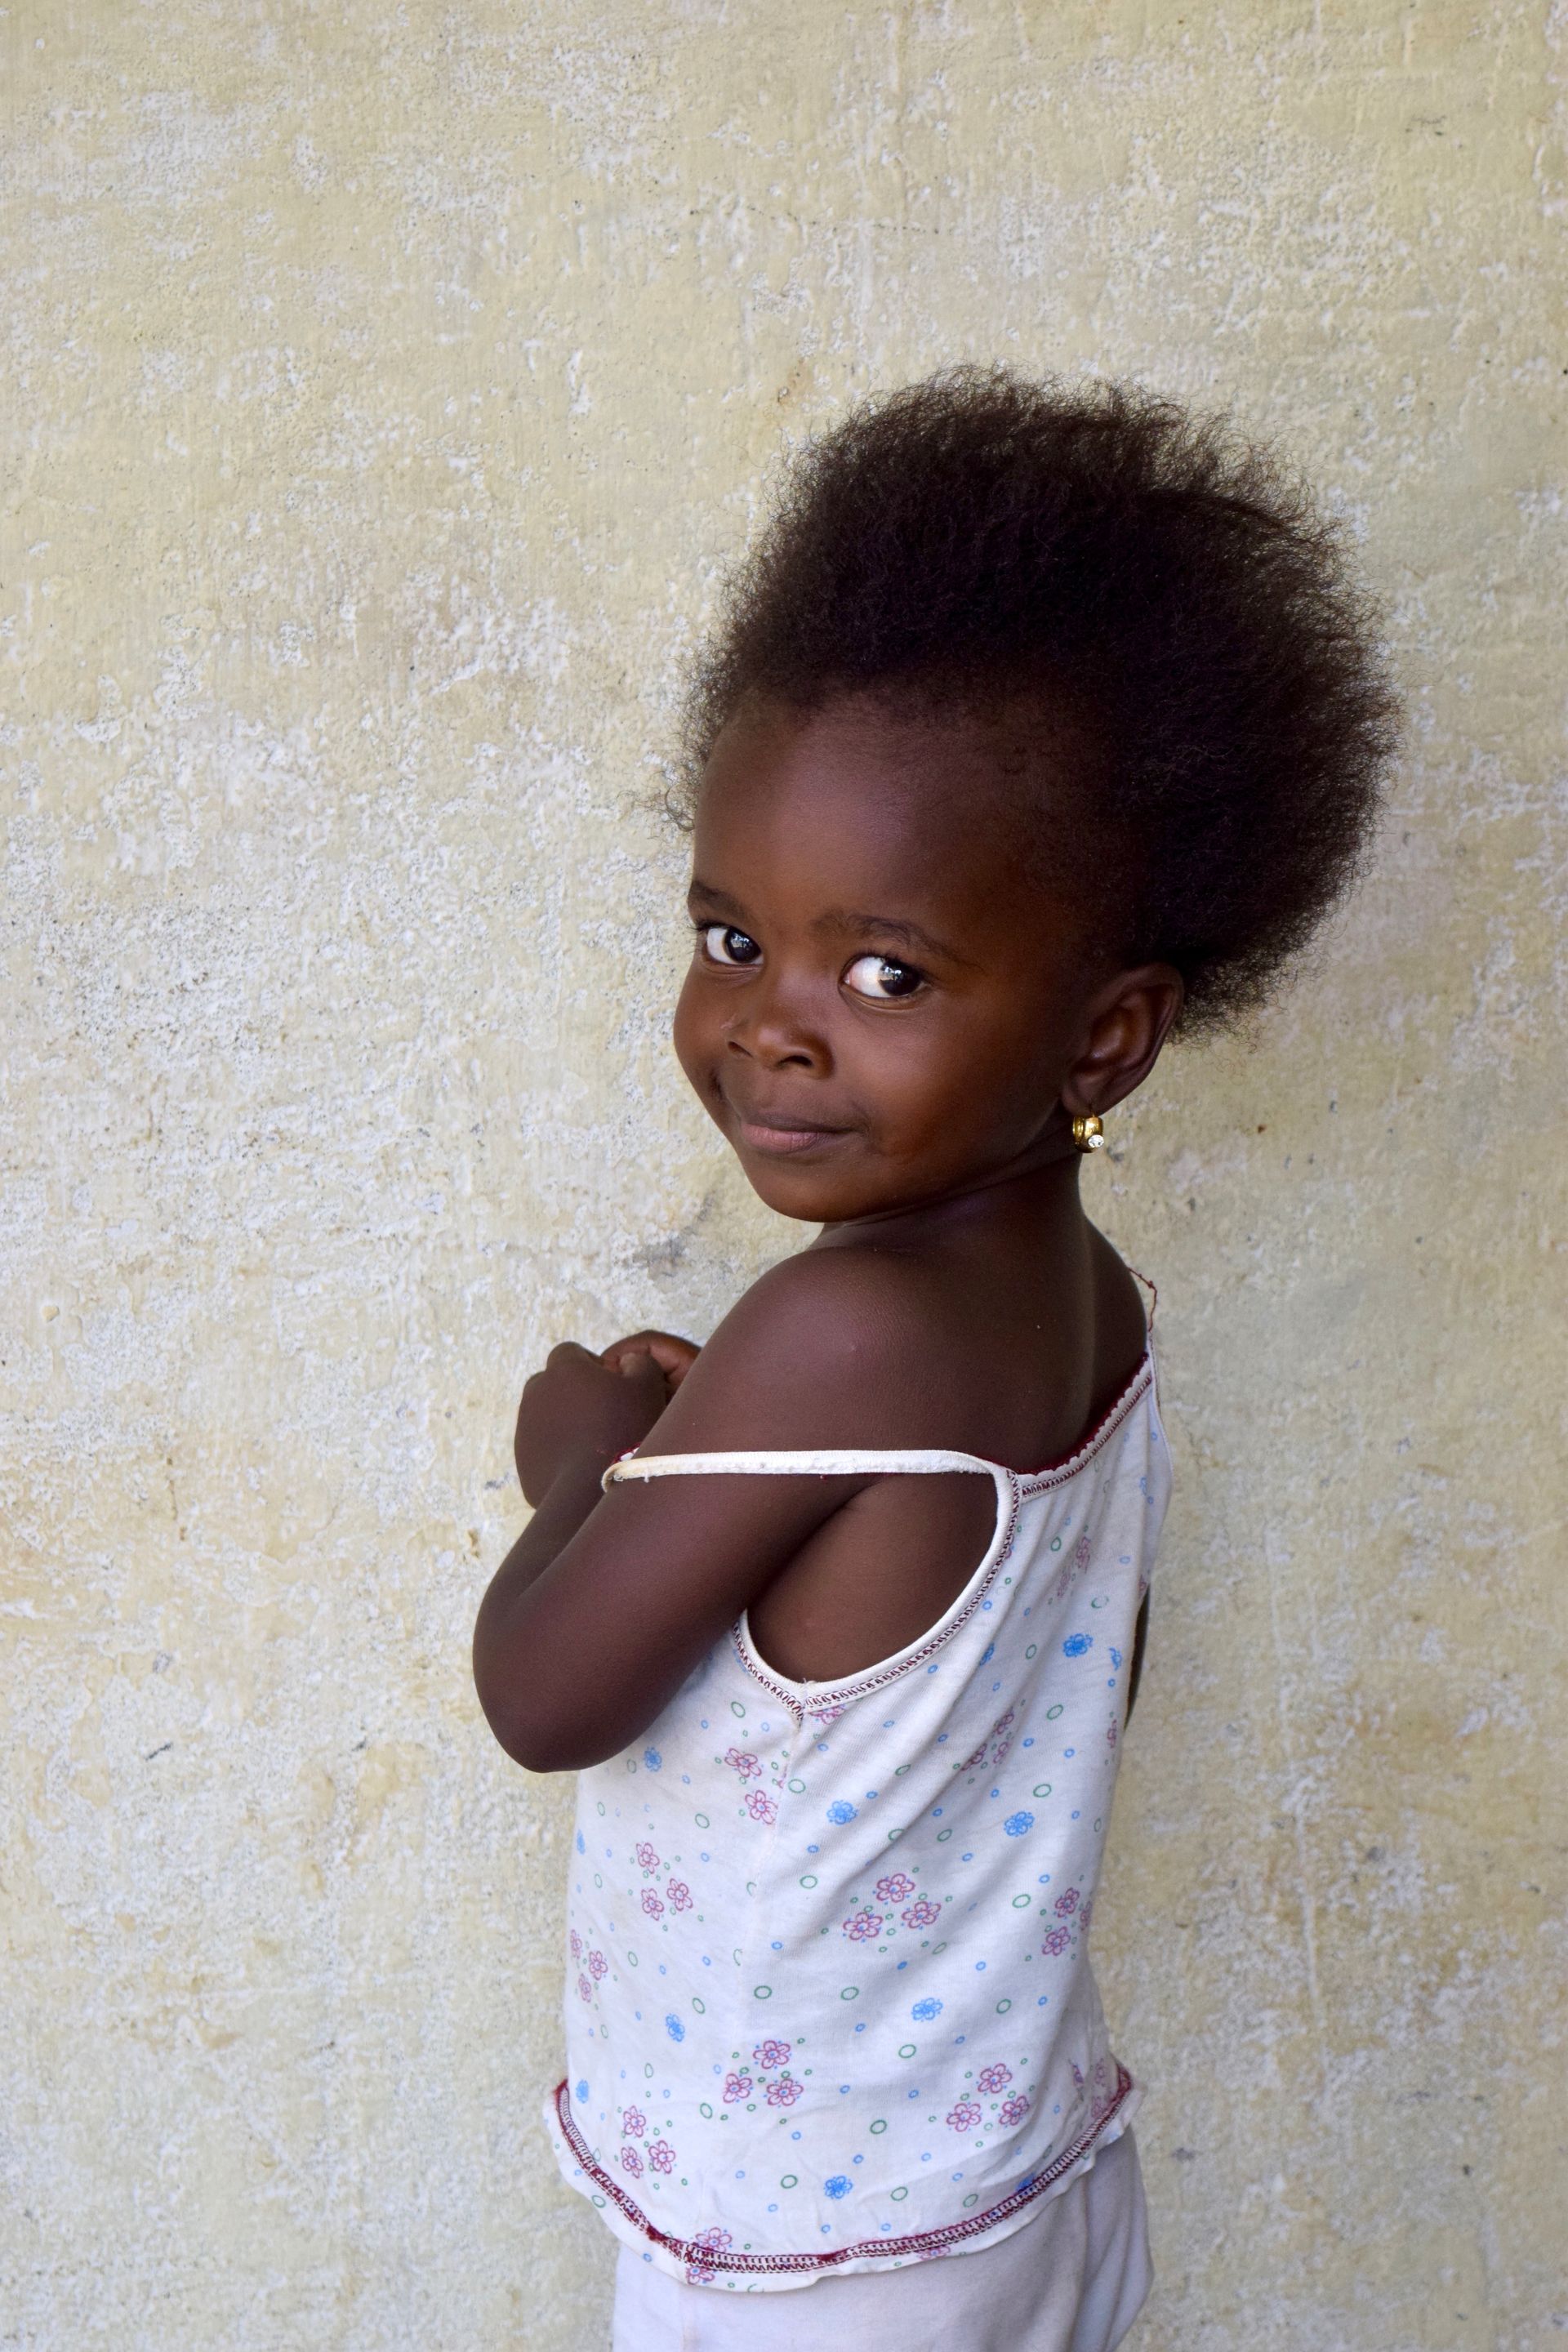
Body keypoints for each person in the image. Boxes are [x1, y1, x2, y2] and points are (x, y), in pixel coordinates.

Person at [472, 369, 1395, 2350]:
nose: (774, 1029)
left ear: (1104, 1042)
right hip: (1018, 2182)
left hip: (821, 2266)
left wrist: (583, 1455)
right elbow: (1056, 1692)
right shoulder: (1101, 1308)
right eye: (733, 938)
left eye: (883, 972)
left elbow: (548, 1695)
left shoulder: (838, 1331)